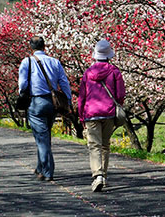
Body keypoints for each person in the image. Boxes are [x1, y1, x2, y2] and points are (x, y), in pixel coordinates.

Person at [18, 36, 72, 182]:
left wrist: (22, 94)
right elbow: (64, 82)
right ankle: (40, 167)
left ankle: (48, 171)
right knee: (44, 136)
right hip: (53, 103)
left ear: (31, 47)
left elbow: (22, 85)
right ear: (44, 46)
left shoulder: (27, 61)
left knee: (41, 138)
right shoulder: (55, 62)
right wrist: (68, 100)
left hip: (36, 102)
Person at [78, 39, 125, 192]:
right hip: (109, 113)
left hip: (91, 113)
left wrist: (81, 115)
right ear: (108, 55)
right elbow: (120, 95)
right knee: (105, 145)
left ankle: (97, 175)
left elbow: (82, 97)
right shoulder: (115, 72)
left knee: (94, 146)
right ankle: (103, 176)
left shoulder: (87, 73)